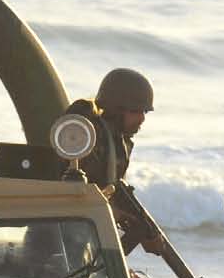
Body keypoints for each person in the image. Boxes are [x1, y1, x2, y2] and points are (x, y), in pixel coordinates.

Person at [66, 68, 166, 256]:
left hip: (81, 241)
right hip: (62, 240)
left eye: (144, 111)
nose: (142, 118)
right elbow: (73, 195)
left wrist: (142, 229)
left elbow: (111, 190)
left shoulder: (116, 141)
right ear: (116, 108)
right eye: (136, 111)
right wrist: (119, 215)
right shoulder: (87, 136)